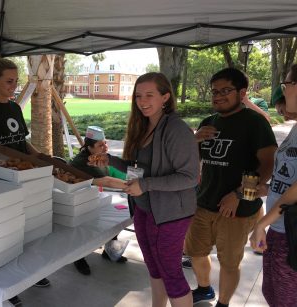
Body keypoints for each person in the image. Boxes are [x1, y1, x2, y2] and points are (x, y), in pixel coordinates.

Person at [90, 72, 200, 307]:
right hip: (144, 209)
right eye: (139, 95)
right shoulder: (144, 127)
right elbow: (138, 168)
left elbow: (189, 177)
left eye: (150, 95)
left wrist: (145, 185)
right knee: (154, 267)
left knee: (171, 274)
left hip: (170, 214)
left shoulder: (176, 129)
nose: (142, 101)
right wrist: (109, 160)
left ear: (165, 97)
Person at [184, 68, 278, 307]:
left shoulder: (254, 123)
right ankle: (204, 289)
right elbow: (194, 163)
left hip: (238, 209)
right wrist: (194, 141)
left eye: (225, 90)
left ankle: (223, 304)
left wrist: (238, 194)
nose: (218, 96)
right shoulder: (208, 122)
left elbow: (269, 164)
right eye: (215, 91)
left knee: (229, 262)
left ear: (242, 92)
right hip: (204, 202)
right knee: (195, 251)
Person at [0, 51, 50, 303]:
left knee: (27, 228)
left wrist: (40, 157)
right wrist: (5, 165)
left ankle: (31, 274)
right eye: (9, 81)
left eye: (16, 80)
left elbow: (21, 141)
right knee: (5, 236)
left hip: (24, 179)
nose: (15, 86)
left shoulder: (14, 107)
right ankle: (9, 286)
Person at [250, 64, 297, 307]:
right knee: (273, 293)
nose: (284, 91)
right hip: (279, 230)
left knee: (286, 299)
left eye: (287, 84)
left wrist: (261, 223)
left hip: (291, 233)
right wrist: (268, 189)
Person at [70, 126, 128, 276]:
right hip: (76, 200)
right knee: (83, 228)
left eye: (105, 143)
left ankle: (109, 252)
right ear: (89, 147)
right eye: (100, 145)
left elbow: (115, 173)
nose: (105, 147)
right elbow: (107, 181)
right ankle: (78, 259)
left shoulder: (99, 156)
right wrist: (133, 186)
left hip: (94, 195)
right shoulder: (85, 161)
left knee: (116, 218)